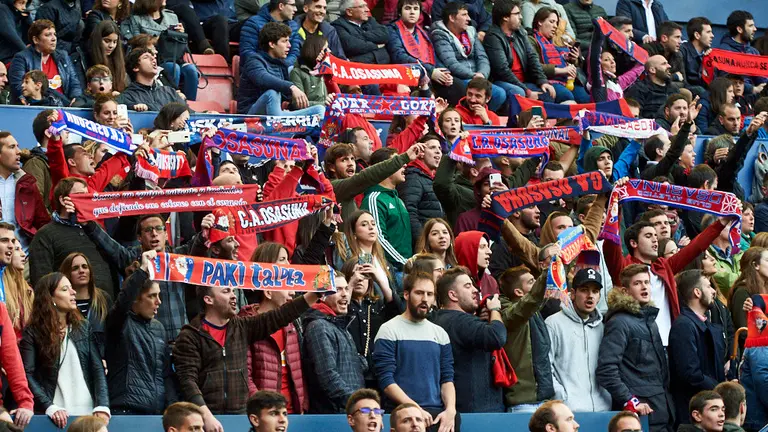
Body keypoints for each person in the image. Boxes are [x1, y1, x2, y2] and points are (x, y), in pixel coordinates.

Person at [173, 278, 321, 431]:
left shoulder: (242, 326)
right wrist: (206, 415)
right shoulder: (190, 336)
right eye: (226, 291)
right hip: (207, 419)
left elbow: (280, 315)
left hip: (241, 417)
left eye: (232, 290)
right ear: (208, 299)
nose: (233, 295)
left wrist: (315, 294)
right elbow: (188, 381)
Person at [603, 209, 732, 347]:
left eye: (655, 235)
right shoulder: (624, 269)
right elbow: (610, 245)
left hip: (670, 345)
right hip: (639, 346)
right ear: (633, 243)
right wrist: (616, 208)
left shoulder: (664, 266)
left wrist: (721, 223)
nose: (655, 239)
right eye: (648, 236)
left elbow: (696, 247)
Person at [20, 272, 110, 428]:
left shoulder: (83, 327)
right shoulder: (33, 332)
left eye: (71, 288)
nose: (73, 291)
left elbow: (97, 368)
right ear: (50, 298)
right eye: (65, 289)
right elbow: (27, 374)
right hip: (55, 417)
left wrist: (102, 406)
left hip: (88, 415)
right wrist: (49, 406)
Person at [373, 272, 458, 431]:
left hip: (436, 415)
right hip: (403, 414)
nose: (425, 299)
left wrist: (451, 410)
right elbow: (386, 381)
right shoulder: (388, 330)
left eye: (430, 294)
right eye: (419, 293)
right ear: (406, 294)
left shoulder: (440, 334)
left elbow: (447, 378)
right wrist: (414, 408)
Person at [597, 264, 673, 432]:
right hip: (640, 418)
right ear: (625, 291)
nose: (644, 286)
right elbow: (606, 370)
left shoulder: (650, 322)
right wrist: (630, 401)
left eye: (647, 282)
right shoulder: (619, 322)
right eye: (637, 283)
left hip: (661, 412)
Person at [238, 245, 309, 414]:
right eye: (282, 260)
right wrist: (262, 409)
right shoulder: (246, 323)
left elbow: (299, 375)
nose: (292, 293)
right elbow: (245, 376)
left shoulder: (291, 325)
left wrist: (303, 405)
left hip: (293, 414)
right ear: (268, 291)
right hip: (265, 415)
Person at [28, 178, 118, 297]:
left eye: (88, 197)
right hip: (70, 310)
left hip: (105, 307)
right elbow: (42, 282)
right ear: (63, 200)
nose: (86, 201)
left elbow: (118, 257)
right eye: (80, 196)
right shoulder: (45, 235)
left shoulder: (94, 229)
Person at [104, 252, 168, 414]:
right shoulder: (120, 322)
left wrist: (171, 408)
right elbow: (122, 302)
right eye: (152, 296)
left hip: (157, 414)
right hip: (126, 412)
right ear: (135, 299)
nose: (158, 302)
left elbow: (166, 373)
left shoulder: (159, 328)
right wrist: (143, 270)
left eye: (159, 296)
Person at [434, 267, 506, 413]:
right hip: (479, 413)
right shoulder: (460, 321)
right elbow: (497, 336)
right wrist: (495, 310)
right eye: (467, 286)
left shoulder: (439, 319)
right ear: (453, 295)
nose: (476, 290)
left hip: (461, 408)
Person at [546, 268, 611, 412]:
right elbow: (545, 367)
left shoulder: (602, 327)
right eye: (584, 290)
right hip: (569, 412)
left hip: (603, 409)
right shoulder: (553, 323)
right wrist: (561, 397)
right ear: (573, 294)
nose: (590, 296)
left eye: (595, 291)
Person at [668, 270, 726, 426]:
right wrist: (720, 388)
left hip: (707, 408)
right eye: (709, 286)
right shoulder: (684, 326)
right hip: (693, 414)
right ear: (697, 292)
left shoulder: (703, 324)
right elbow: (690, 373)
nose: (714, 291)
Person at [303, 274, 365, 413]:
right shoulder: (318, 327)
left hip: (349, 410)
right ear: (322, 296)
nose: (345, 295)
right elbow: (328, 376)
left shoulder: (340, 326)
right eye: (337, 290)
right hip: (334, 414)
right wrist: (356, 403)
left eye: (346, 289)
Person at [432, 1, 507, 112]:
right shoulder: (439, 34)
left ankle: (481, 118)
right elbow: (451, 63)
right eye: (464, 15)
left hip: (478, 77)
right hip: (460, 78)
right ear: (452, 18)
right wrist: (473, 75)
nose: (469, 19)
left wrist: (482, 74)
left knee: (502, 93)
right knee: (498, 93)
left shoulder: (471, 31)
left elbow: (482, 57)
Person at [238, 22, 325, 116]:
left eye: (289, 41)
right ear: (271, 44)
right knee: (272, 93)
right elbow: (262, 78)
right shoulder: (254, 60)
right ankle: (279, 127)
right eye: (284, 41)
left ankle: (288, 127)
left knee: (319, 110)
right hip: (251, 117)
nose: (289, 45)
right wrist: (291, 87)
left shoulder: (281, 64)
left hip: (277, 114)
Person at [498, 266, 551, 412]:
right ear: (518, 292)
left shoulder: (533, 313)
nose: (536, 285)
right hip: (522, 404)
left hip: (543, 399)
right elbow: (531, 301)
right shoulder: (510, 315)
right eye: (531, 282)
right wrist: (547, 272)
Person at [120, 0, 198, 100]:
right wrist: (157, 39)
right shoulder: (136, 19)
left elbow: (181, 44)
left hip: (174, 55)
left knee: (191, 69)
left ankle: (190, 104)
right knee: (173, 67)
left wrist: (181, 35)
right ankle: (171, 101)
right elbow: (136, 42)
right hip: (155, 59)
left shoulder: (172, 17)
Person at [326, 142, 422, 222]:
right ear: (331, 167)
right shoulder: (333, 187)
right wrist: (404, 157)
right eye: (344, 160)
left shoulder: (348, 191)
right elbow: (364, 177)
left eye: (352, 159)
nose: (351, 163)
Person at [341, 259, 400, 390]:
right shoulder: (342, 305)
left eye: (365, 276)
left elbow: (397, 313)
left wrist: (381, 280)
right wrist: (349, 285)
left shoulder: (376, 306)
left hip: (376, 373)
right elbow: (339, 317)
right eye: (355, 274)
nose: (360, 279)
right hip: (350, 373)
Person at [387, 0, 459, 103]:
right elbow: (399, 56)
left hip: (427, 72)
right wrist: (431, 71)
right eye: (407, 8)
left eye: (416, 9)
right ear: (399, 12)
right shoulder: (392, 30)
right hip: (407, 75)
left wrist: (444, 74)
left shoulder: (424, 32)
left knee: (456, 87)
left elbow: (433, 56)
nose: (412, 12)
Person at [484, 0, 555, 102]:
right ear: (505, 17)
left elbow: (532, 57)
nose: (521, 17)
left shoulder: (520, 32)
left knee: (548, 93)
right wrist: (527, 91)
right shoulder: (493, 37)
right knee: (520, 93)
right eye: (517, 14)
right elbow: (502, 70)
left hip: (524, 81)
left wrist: (543, 81)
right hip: (503, 82)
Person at [361, 147, 413, 271]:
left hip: (404, 268)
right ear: (385, 167)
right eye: (397, 161)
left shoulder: (398, 199)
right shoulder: (374, 199)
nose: (404, 165)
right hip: (389, 270)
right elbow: (378, 239)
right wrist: (404, 262)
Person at [9, 19, 82, 105]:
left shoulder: (63, 56)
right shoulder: (21, 58)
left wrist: (75, 99)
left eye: (54, 34)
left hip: (64, 107)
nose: (54, 38)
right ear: (36, 40)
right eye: (48, 35)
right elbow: (19, 87)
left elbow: (74, 83)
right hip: (37, 106)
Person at [0, 132, 49, 252]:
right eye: (12, 147)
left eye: (17, 146)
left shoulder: (28, 185)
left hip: (24, 258)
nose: (19, 151)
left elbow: (43, 223)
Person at [528, 7, 588, 103]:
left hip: (567, 80)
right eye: (552, 22)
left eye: (556, 23)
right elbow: (534, 66)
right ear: (540, 22)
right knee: (566, 96)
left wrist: (573, 59)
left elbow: (567, 62)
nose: (555, 26)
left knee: (585, 99)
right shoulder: (531, 40)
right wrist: (562, 70)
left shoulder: (556, 41)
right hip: (547, 80)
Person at [59, 253, 111, 353]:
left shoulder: (104, 299)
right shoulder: (63, 303)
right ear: (67, 274)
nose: (81, 271)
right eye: (75, 268)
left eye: (85, 267)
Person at [397, 134, 443, 240]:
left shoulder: (433, 178)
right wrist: (422, 241)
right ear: (421, 153)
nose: (438, 151)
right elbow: (409, 212)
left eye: (439, 148)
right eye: (432, 147)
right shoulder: (412, 177)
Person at [118, 47, 187, 111]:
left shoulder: (170, 92)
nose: (153, 59)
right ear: (136, 67)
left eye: (153, 57)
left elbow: (189, 114)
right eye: (146, 57)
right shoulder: (127, 96)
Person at [719, 11, 767, 95]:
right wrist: (752, 89)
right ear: (739, 29)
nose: (755, 29)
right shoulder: (724, 51)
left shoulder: (753, 51)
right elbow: (727, 81)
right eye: (751, 26)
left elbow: (762, 77)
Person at [240, 0, 300, 66]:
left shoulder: (293, 26)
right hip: (259, 69)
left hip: (284, 68)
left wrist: (281, 66)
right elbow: (247, 53)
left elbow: (295, 53)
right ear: (281, 6)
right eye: (292, 5)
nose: (296, 9)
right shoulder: (254, 23)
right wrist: (270, 67)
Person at [332, 0, 390, 66]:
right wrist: (376, 45)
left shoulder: (370, 20)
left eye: (366, 6)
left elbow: (385, 35)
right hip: (359, 69)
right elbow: (352, 46)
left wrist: (359, 36)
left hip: (384, 67)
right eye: (362, 6)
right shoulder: (338, 26)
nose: (367, 10)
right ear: (349, 12)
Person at [85, 20, 127, 93]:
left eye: (115, 42)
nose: (111, 46)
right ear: (97, 40)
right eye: (107, 41)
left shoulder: (118, 62)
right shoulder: (85, 59)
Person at [642, 21, 686, 88]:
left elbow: (683, 81)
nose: (680, 41)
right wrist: (675, 76)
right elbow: (650, 79)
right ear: (664, 38)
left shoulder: (678, 54)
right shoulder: (648, 50)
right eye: (677, 37)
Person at [680, 17, 713, 90]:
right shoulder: (682, 51)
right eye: (708, 32)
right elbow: (682, 82)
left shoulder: (709, 54)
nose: (712, 36)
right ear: (697, 35)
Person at [0, 0, 31, 66]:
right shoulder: (2, 9)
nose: (24, 7)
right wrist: (27, 51)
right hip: (6, 58)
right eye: (21, 3)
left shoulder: (18, 14)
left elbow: (33, 31)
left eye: (26, 4)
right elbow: (10, 34)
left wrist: (27, 18)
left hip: (17, 55)